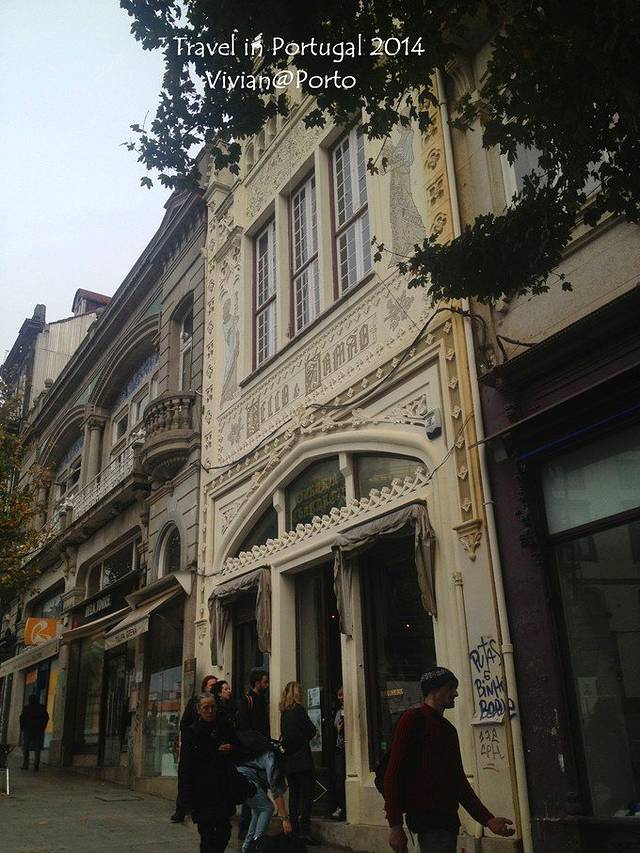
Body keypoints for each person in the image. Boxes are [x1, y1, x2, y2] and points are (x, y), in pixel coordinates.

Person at [384, 667, 515, 853]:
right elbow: (393, 774)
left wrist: (488, 820)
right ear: (434, 690)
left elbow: (458, 782)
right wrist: (395, 826)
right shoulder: (412, 720)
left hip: (448, 822)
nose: (456, 693)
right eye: (450, 687)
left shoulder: (448, 730)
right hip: (427, 821)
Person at [181, 693, 243, 853]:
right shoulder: (192, 732)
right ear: (198, 710)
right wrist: (186, 799)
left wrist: (232, 748)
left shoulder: (224, 727)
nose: (210, 711)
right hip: (202, 792)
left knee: (224, 832)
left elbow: (238, 748)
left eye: (213, 707)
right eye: (206, 708)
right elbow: (187, 766)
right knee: (207, 835)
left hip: (222, 789)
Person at [172, 674, 218, 823]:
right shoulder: (194, 702)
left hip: (207, 751)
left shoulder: (217, 705)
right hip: (191, 748)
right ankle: (181, 810)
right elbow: (184, 724)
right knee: (185, 778)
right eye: (211, 685)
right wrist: (189, 741)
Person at [280, 680, 317, 846]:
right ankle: (304, 831)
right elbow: (311, 730)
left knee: (294, 796)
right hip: (302, 759)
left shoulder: (284, 713)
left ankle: (294, 830)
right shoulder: (299, 710)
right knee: (307, 795)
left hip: (289, 760)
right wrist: (304, 738)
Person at [237, 668, 270, 841]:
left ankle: (255, 831)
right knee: (251, 792)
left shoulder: (262, 700)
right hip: (250, 754)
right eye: (265, 682)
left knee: (260, 791)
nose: (267, 685)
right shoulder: (247, 701)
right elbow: (245, 728)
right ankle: (245, 828)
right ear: (257, 683)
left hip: (262, 751)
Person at [238, 747, 292, 851]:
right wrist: (285, 819)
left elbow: (277, 787)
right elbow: (276, 791)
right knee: (267, 808)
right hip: (244, 778)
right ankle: (257, 846)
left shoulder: (270, 755)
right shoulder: (273, 759)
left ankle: (247, 845)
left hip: (240, 776)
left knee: (258, 809)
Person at [20, 694, 49, 771]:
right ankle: (36, 765)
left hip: (28, 730)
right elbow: (46, 718)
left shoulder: (26, 708)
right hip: (38, 730)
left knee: (26, 747)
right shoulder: (41, 708)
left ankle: (25, 764)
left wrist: (22, 727)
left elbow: (22, 718)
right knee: (37, 748)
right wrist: (43, 727)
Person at [331, 686, 346, 820]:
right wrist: (339, 728)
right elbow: (336, 728)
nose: (341, 697)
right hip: (340, 748)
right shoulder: (338, 713)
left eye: (342, 694)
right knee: (339, 777)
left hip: (347, 746)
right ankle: (341, 806)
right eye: (339, 695)